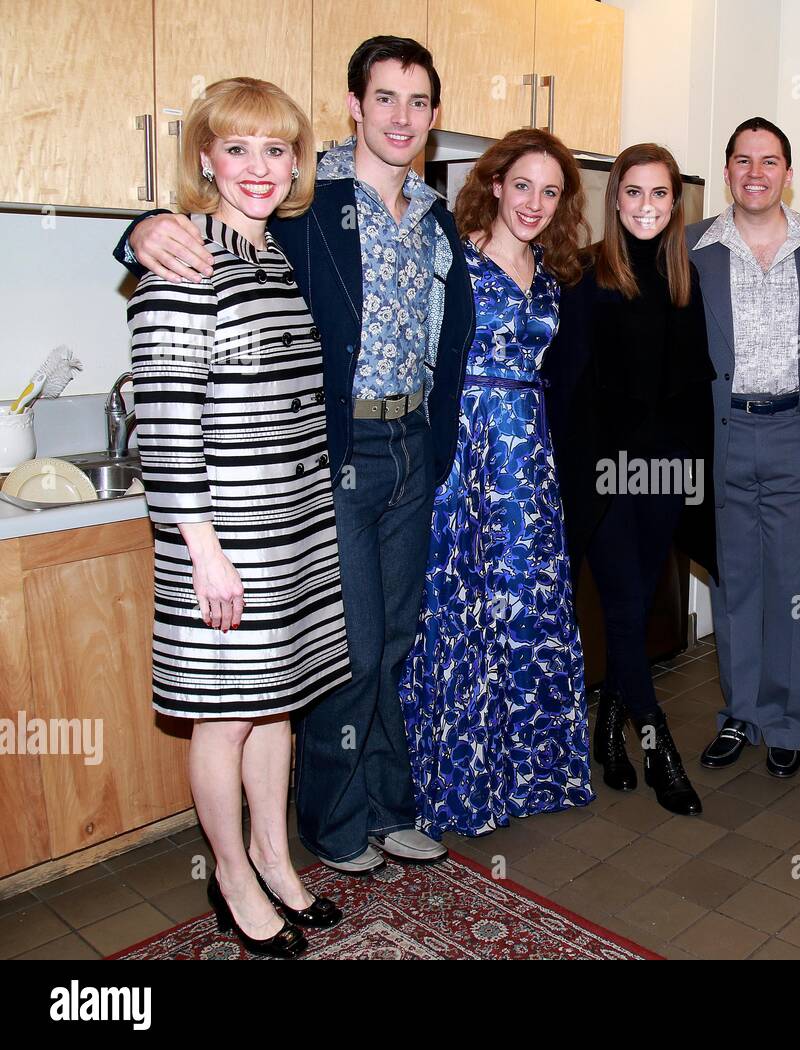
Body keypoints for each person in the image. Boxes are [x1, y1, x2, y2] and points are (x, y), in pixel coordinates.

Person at [116, 37, 474, 875]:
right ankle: (334, 820)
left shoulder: (434, 211)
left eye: (418, 103)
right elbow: (198, 231)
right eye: (385, 98)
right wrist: (140, 230)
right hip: (331, 449)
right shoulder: (308, 199)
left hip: (413, 440)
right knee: (344, 646)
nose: (402, 117)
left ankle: (389, 806)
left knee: (392, 639)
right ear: (354, 105)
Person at [127, 77, 347, 958]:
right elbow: (169, 424)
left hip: (289, 527)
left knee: (276, 710)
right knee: (224, 717)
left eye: (276, 149)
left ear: (295, 161)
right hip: (226, 540)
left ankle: (273, 856)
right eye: (238, 148)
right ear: (206, 159)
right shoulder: (183, 263)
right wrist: (205, 553)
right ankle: (230, 875)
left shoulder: (270, 256)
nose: (259, 168)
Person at [398, 128, 594, 838]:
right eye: (523, 186)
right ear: (495, 184)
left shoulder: (551, 270)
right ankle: (455, 783)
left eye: (550, 191)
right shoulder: (452, 256)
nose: (535, 202)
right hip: (465, 452)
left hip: (529, 462)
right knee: (459, 609)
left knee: (525, 601)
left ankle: (528, 772)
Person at [545, 143, 717, 816]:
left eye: (660, 194)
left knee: (634, 612)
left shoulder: (684, 279)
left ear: (675, 205)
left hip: (665, 477)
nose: (647, 206)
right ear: (615, 200)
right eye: (634, 193)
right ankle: (658, 746)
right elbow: (570, 392)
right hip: (607, 479)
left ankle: (606, 735)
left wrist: (691, 480)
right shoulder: (587, 277)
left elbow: (693, 390)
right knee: (622, 609)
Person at [690, 118, 800, 778]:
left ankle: (784, 719)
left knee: (788, 585)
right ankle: (741, 714)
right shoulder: (691, 246)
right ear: (726, 171)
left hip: (795, 431)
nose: (756, 171)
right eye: (743, 160)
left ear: (788, 172)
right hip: (723, 431)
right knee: (734, 582)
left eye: (770, 160)